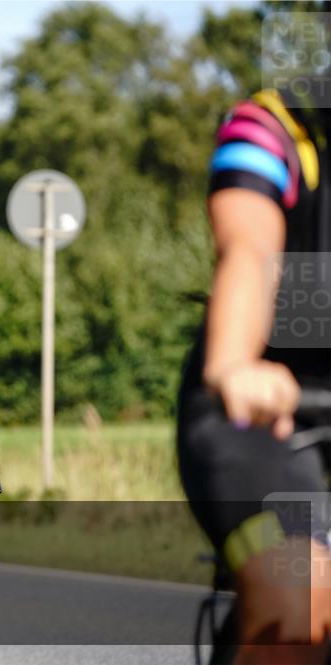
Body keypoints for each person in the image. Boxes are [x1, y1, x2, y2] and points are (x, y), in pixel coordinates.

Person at [177, 85, 329, 663]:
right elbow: (249, 249)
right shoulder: (275, 128)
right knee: (300, 604)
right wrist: (236, 361)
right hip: (257, 413)